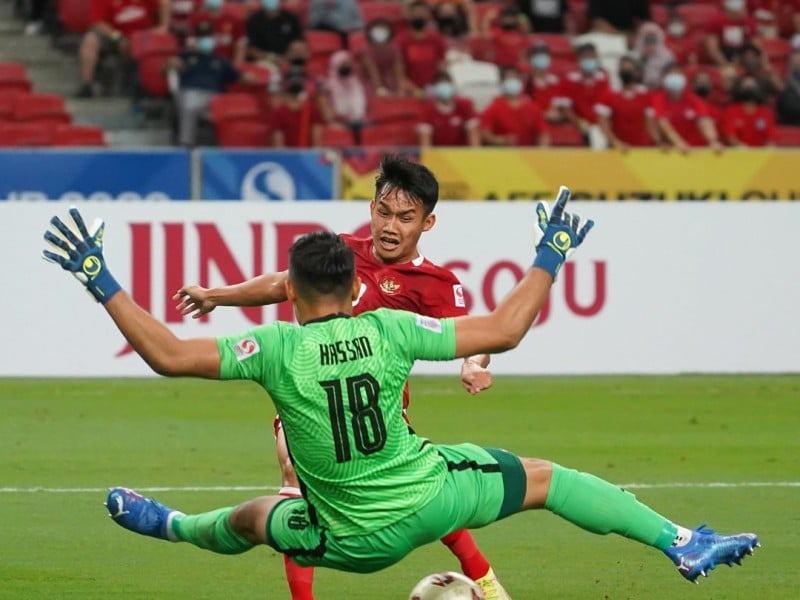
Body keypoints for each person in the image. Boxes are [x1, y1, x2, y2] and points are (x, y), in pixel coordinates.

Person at [42, 196, 760, 594]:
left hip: (347, 540)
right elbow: (506, 330)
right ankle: (680, 541)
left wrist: (100, 278)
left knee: (255, 517)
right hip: (432, 499)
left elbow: (166, 353)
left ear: (288, 290)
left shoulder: (273, 349)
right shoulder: (389, 327)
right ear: (354, 289)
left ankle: (169, 525)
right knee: (550, 479)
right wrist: (552, 252)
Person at [172, 156, 504, 599]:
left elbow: (473, 333)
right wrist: (215, 295)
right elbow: (280, 283)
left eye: (405, 217)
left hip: (378, 414)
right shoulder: (341, 253)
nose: (390, 226)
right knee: (293, 477)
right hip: (311, 399)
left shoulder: (436, 283)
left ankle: (484, 579)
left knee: (426, 496)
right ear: (371, 209)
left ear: (428, 222)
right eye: (384, 212)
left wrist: (474, 364)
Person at [167, 21, 244, 147]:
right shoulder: (185, 56)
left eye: (208, 36)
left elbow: (240, 77)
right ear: (195, 39)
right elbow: (165, 68)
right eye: (201, 37)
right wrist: (170, 63)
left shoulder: (220, 60)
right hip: (189, 92)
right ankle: (185, 144)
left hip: (214, 96)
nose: (205, 40)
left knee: (230, 105)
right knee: (190, 103)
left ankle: (226, 145)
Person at [77, 0, 170, 98]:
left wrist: (163, 27)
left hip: (143, 36)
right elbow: (97, 22)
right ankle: (87, 84)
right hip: (114, 35)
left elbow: (164, 3)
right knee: (90, 39)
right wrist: (117, 37)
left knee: (143, 43)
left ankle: (147, 85)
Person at [651, 63, 722, 152]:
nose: (675, 77)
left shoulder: (694, 100)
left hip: (693, 149)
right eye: (671, 75)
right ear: (664, 79)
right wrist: (678, 142)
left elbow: (704, 121)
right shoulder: (658, 98)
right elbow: (663, 123)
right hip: (671, 149)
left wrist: (713, 141)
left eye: (678, 74)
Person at [595, 56, 657, 150]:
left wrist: (659, 142)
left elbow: (650, 124)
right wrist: (616, 143)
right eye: (623, 68)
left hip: (642, 147)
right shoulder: (609, 94)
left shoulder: (646, 94)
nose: (626, 71)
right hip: (617, 148)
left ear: (637, 72)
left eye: (629, 68)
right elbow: (603, 123)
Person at [481, 65, 551, 146]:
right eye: (508, 79)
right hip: (503, 154)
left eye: (515, 78)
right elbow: (485, 134)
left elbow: (543, 133)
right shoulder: (493, 108)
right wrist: (500, 140)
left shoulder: (533, 108)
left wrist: (541, 154)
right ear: (502, 82)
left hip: (527, 154)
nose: (512, 81)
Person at [395, 1, 448, 95]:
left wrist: (437, 88)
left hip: (433, 89)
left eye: (422, 13)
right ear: (409, 15)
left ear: (428, 16)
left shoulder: (437, 39)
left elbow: (441, 67)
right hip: (410, 91)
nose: (418, 15)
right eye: (415, 13)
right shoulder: (401, 41)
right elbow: (399, 74)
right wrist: (415, 90)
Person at [417, 71, 480, 146]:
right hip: (438, 154)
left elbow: (474, 136)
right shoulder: (427, 109)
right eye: (440, 86)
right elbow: (425, 142)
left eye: (446, 85)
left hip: (462, 153)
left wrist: (475, 156)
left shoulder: (465, 105)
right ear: (434, 89)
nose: (444, 89)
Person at [319, 50, 367, 141]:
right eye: (342, 64)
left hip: (359, 123)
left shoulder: (357, 83)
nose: (346, 66)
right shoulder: (326, 86)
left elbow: (364, 108)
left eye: (348, 63)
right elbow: (328, 114)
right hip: (339, 123)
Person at [268, 74, 324, 148]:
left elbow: (317, 142)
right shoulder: (278, 113)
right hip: (288, 155)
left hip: (306, 154)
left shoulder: (311, 109)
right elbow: (279, 145)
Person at [241, 0, 303, 65]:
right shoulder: (254, 20)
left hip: (287, 61)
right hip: (262, 61)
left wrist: (285, 59)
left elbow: (299, 43)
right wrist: (272, 59)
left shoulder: (291, 19)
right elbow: (250, 48)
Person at [723, 75, 776, 147]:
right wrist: (743, 149)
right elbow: (730, 136)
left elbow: (770, 138)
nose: (749, 88)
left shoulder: (766, 113)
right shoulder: (731, 110)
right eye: (746, 86)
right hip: (738, 153)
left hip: (760, 154)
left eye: (752, 86)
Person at [703, 0, 757, 70]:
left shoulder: (749, 22)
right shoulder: (716, 21)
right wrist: (726, 65)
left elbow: (757, 47)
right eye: (743, 9)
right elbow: (712, 49)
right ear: (732, 11)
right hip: (722, 57)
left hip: (742, 57)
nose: (745, 11)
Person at [358, 18, 406, 96]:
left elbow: (399, 72)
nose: (380, 32)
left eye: (383, 30)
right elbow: (373, 74)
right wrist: (380, 90)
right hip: (369, 83)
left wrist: (400, 89)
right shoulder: (366, 50)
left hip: (390, 81)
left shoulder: (394, 49)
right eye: (378, 30)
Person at [631, 23, 675, 91]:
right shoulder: (635, 54)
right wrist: (644, 57)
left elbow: (671, 74)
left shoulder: (667, 55)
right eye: (647, 37)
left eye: (653, 37)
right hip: (640, 89)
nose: (650, 40)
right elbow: (633, 76)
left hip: (661, 89)